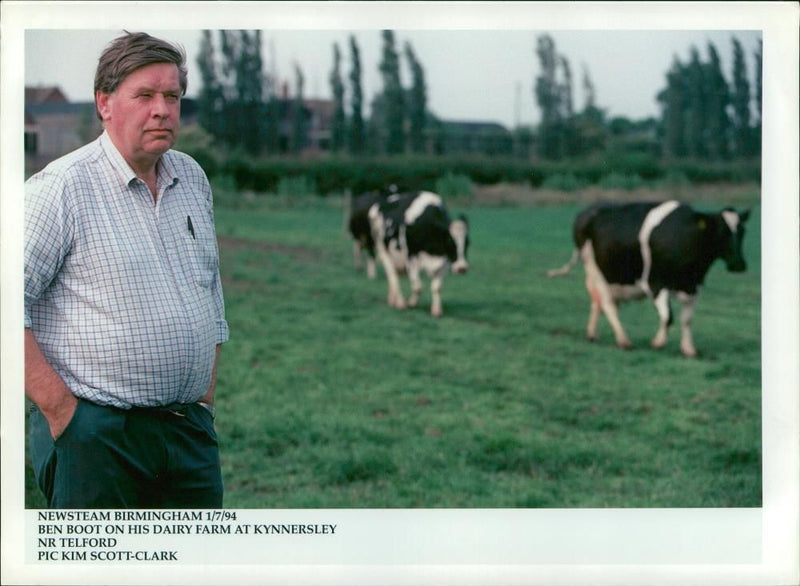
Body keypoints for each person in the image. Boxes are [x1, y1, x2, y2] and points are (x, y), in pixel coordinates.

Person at [25, 31, 229, 508]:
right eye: (145, 96)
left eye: (172, 96)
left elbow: (211, 291)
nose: (162, 109)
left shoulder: (192, 178)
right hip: (97, 439)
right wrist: (64, 414)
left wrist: (204, 399)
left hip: (187, 434)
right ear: (105, 103)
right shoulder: (61, 188)